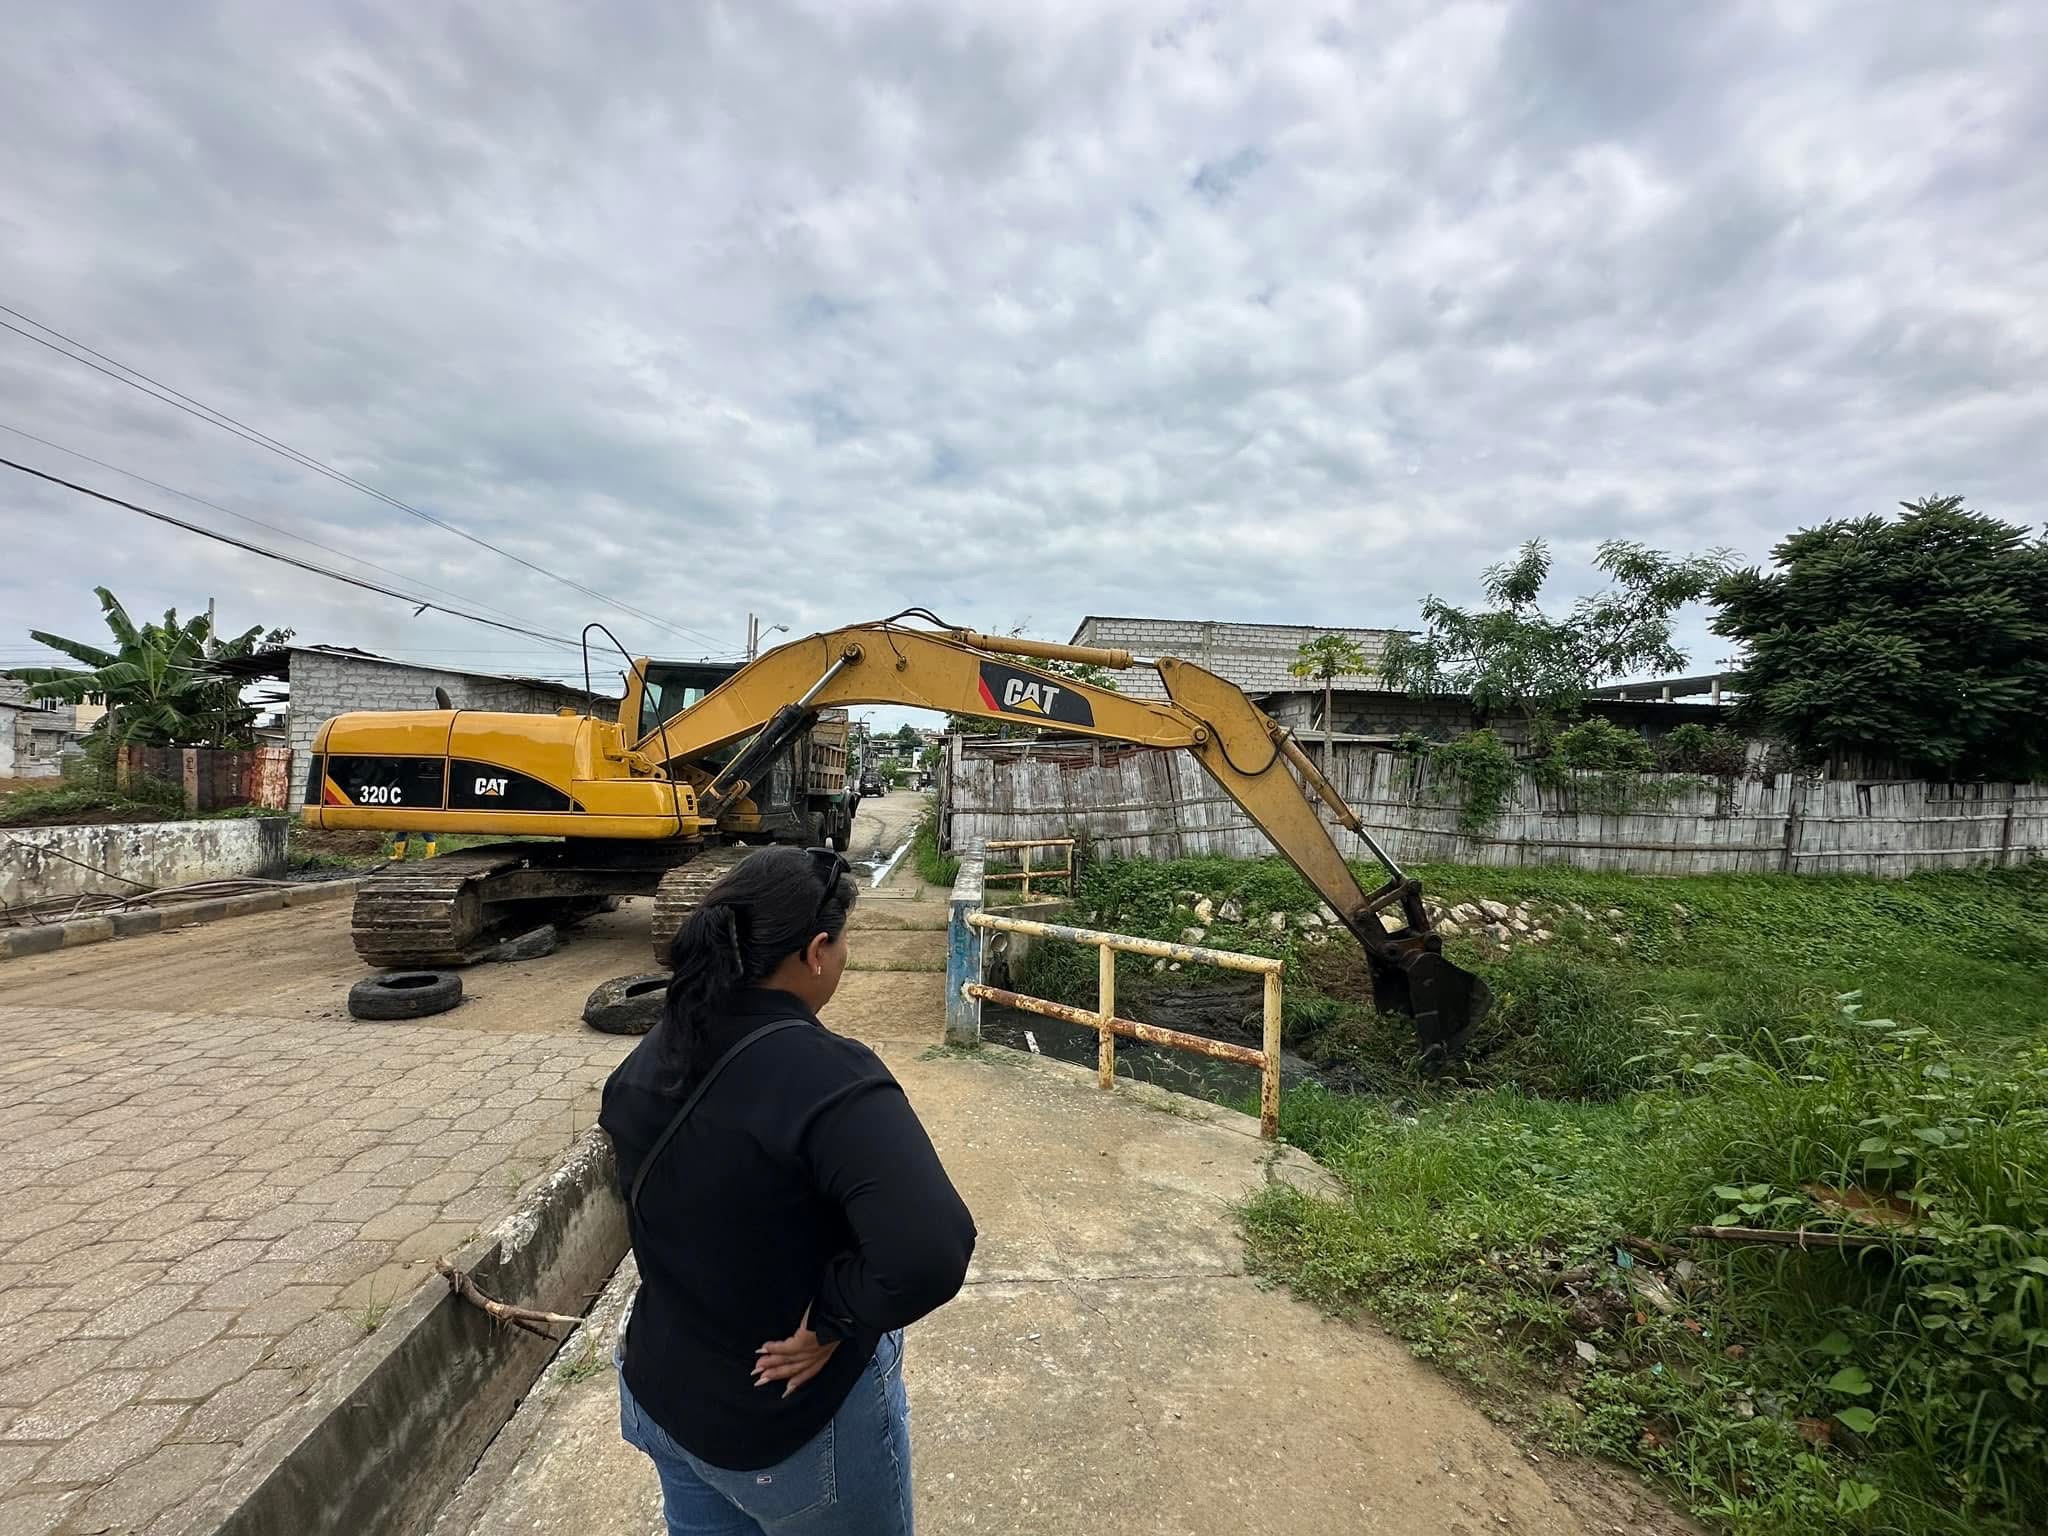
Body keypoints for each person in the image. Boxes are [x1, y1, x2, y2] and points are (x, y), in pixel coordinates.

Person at [600, 845, 976, 1534]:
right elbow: (931, 1254)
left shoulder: (656, 1050)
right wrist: (834, 1317)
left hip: (664, 1393)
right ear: (816, 952)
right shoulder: (829, 1077)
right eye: (843, 944)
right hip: (784, 1427)